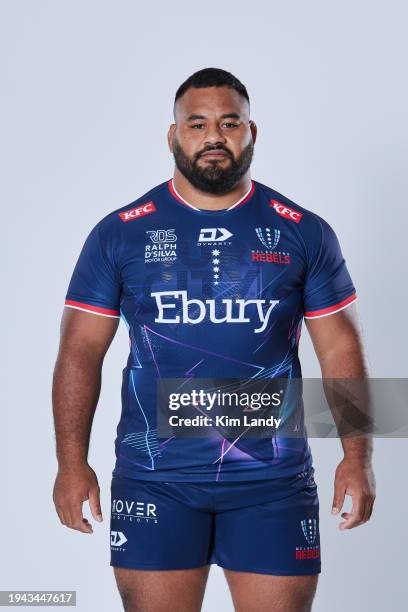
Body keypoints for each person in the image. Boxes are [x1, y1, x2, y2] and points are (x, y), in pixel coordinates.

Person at [52, 67, 376, 612]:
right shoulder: (121, 232)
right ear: (173, 135)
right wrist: (69, 463)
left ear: (253, 133)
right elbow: (79, 352)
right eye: (197, 124)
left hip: (272, 482)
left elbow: (340, 348)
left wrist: (358, 456)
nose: (214, 137)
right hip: (155, 480)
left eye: (230, 123)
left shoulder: (303, 229)